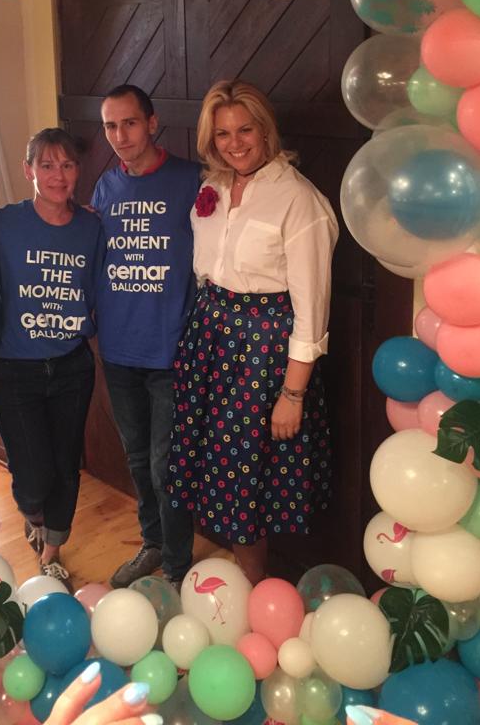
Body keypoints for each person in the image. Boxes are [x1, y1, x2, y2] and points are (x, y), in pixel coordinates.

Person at [168, 79, 338, 585]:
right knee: (218, 472)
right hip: (210, 341)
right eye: (222, 133)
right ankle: (248, 584)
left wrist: (293, 393)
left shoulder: (299, 200)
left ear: (265, 130)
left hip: (262, 355)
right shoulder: (213, 189)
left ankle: (260, 589)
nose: (234, 143)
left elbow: (311, 310)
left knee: (246, 479)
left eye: (245, 130)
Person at [92, 84, 200, 588]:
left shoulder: (190, 180)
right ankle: (152, 543)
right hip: (118, 350)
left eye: (130, 123)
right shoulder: (105, 187)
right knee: (137, 458)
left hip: (171, 351)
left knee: (166, 466)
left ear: (152, 123)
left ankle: (177, 567)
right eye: (111, 126)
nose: (120, 136)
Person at [0, 128, 104, 585]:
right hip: (15, 368)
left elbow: (101, 287)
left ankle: (52, 551)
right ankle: (32, 513)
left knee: (65, 466)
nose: (59, 175)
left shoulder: (91, 227)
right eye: (47, 165)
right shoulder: (3, 223)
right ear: (29, 170)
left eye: (68, 165)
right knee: (33, 475)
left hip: (72, 365)